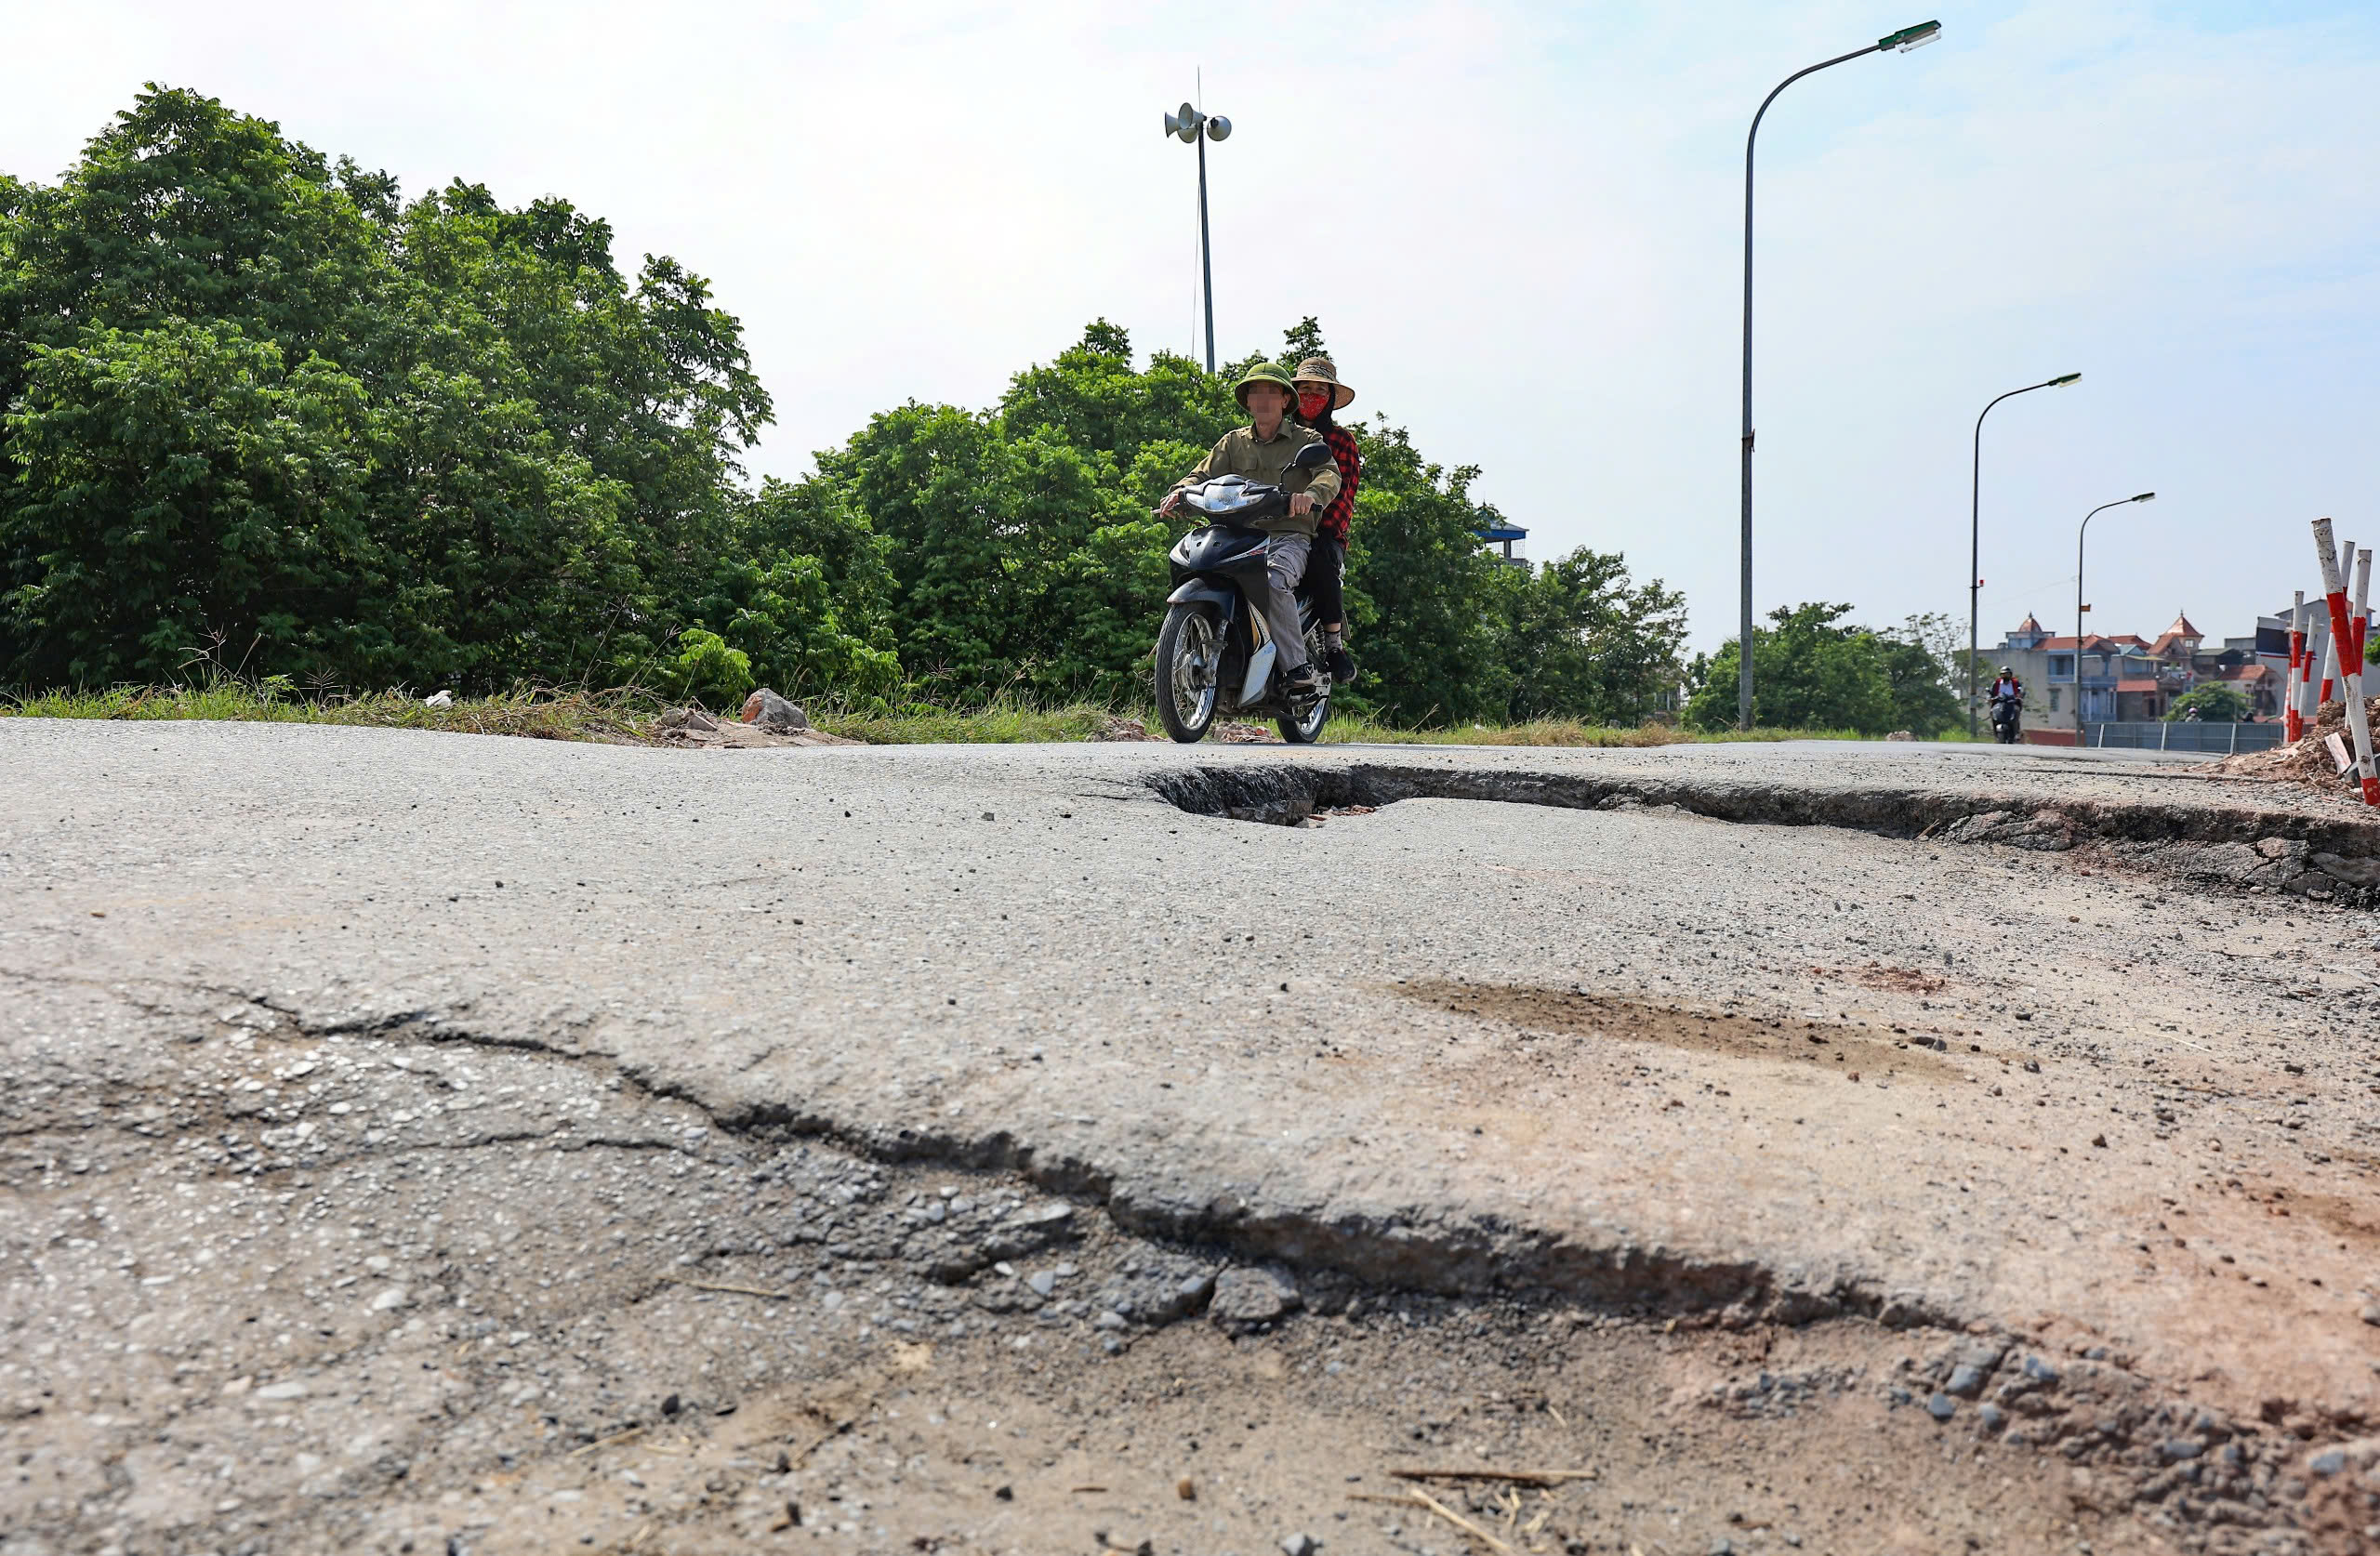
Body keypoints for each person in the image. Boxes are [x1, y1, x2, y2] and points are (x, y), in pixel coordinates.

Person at [1159, 364, 1342, 692]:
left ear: (1286, 400)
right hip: (1237, 534)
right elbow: (1200, 476)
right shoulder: (1233, 442)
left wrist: (1310, 495)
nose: (1263, 400)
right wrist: (1179, 492)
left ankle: (1296, 668)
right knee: (1197, 563)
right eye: (1256, 392)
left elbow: (1329, 475)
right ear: (1247, 401)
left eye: (1272, 392)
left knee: (1273, 580)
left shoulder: (1307, 439)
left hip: (1287, 536)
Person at [1289, 356, 1362, 682]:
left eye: (1320, 390)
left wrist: (1311, 523)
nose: (1312, 396)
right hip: (1273, 527)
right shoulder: (1276, 435)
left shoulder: (1341, 441)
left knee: (1320, 559)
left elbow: (1342, 497)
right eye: (1305, 388)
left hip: (1322, 532)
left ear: (1330, 398)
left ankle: (1333, 644)